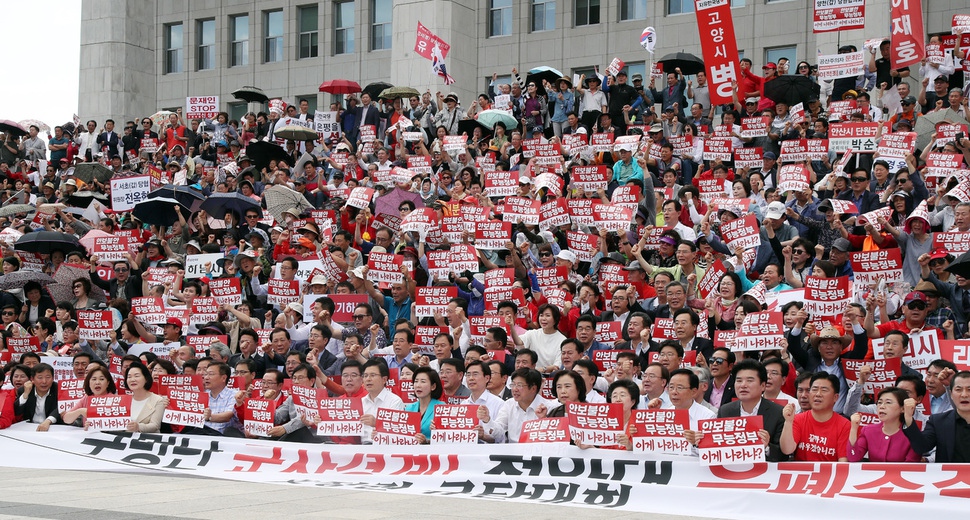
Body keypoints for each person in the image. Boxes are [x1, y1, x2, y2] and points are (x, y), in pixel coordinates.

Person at [780, 373, 850, 462]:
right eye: (814, 389)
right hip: (803, 474)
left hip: (829, 474)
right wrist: (788, 422)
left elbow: (843, 462)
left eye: (824, 390)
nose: (818, 394)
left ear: (835, 397)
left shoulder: (844, 425)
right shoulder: (798, 419)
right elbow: (787, 450)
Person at [904, 370, 970, 462]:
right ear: (951, 394)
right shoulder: (938, 421)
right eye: (958, 390)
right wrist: (908, 419)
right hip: (949, 475)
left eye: (969, 389)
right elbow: (921, 447)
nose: (964, 395)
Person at [479, 368, 555, 443]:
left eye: (519, 385)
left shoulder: (548, 407)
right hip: (513, 452)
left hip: (537, 451)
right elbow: (499, 433)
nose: (514, 389)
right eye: (513, 384)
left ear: (533, 388)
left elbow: (552, 437)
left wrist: (543, 419)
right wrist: (487, 420)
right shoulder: (509, 404)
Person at [847, 387, 920, 462]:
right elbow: (853, 458)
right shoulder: (868, 431)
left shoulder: (912, 435)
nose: (882, 406)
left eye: (888, 402)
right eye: (879, 402)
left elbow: (911, 466)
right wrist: (854, 428)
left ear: (903, 408)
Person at [13, 363, 61, 431]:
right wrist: (25, 394)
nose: (44, 381)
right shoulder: (24, 389)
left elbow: (60, 409)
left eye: (48, 377)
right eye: (40, 377)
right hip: (29, 428)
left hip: (53, 428)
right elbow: (17, 411)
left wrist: (48, 421)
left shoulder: (58, 389)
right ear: (32, 379)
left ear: (53, 378)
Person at [404, 366, 445, 444]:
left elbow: (446, 438)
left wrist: (426, 441)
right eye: (416, 381)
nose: (418, 385)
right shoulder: (409, 408)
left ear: (433, 386)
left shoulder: (441, 408)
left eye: (423, 381)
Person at [123, 363, 168, 433]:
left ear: (146, 379)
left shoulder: (158, 400)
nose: (132, 379)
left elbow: (155, 425)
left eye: (136, 376)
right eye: (129, 377)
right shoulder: (123, 400)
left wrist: (138, 427)